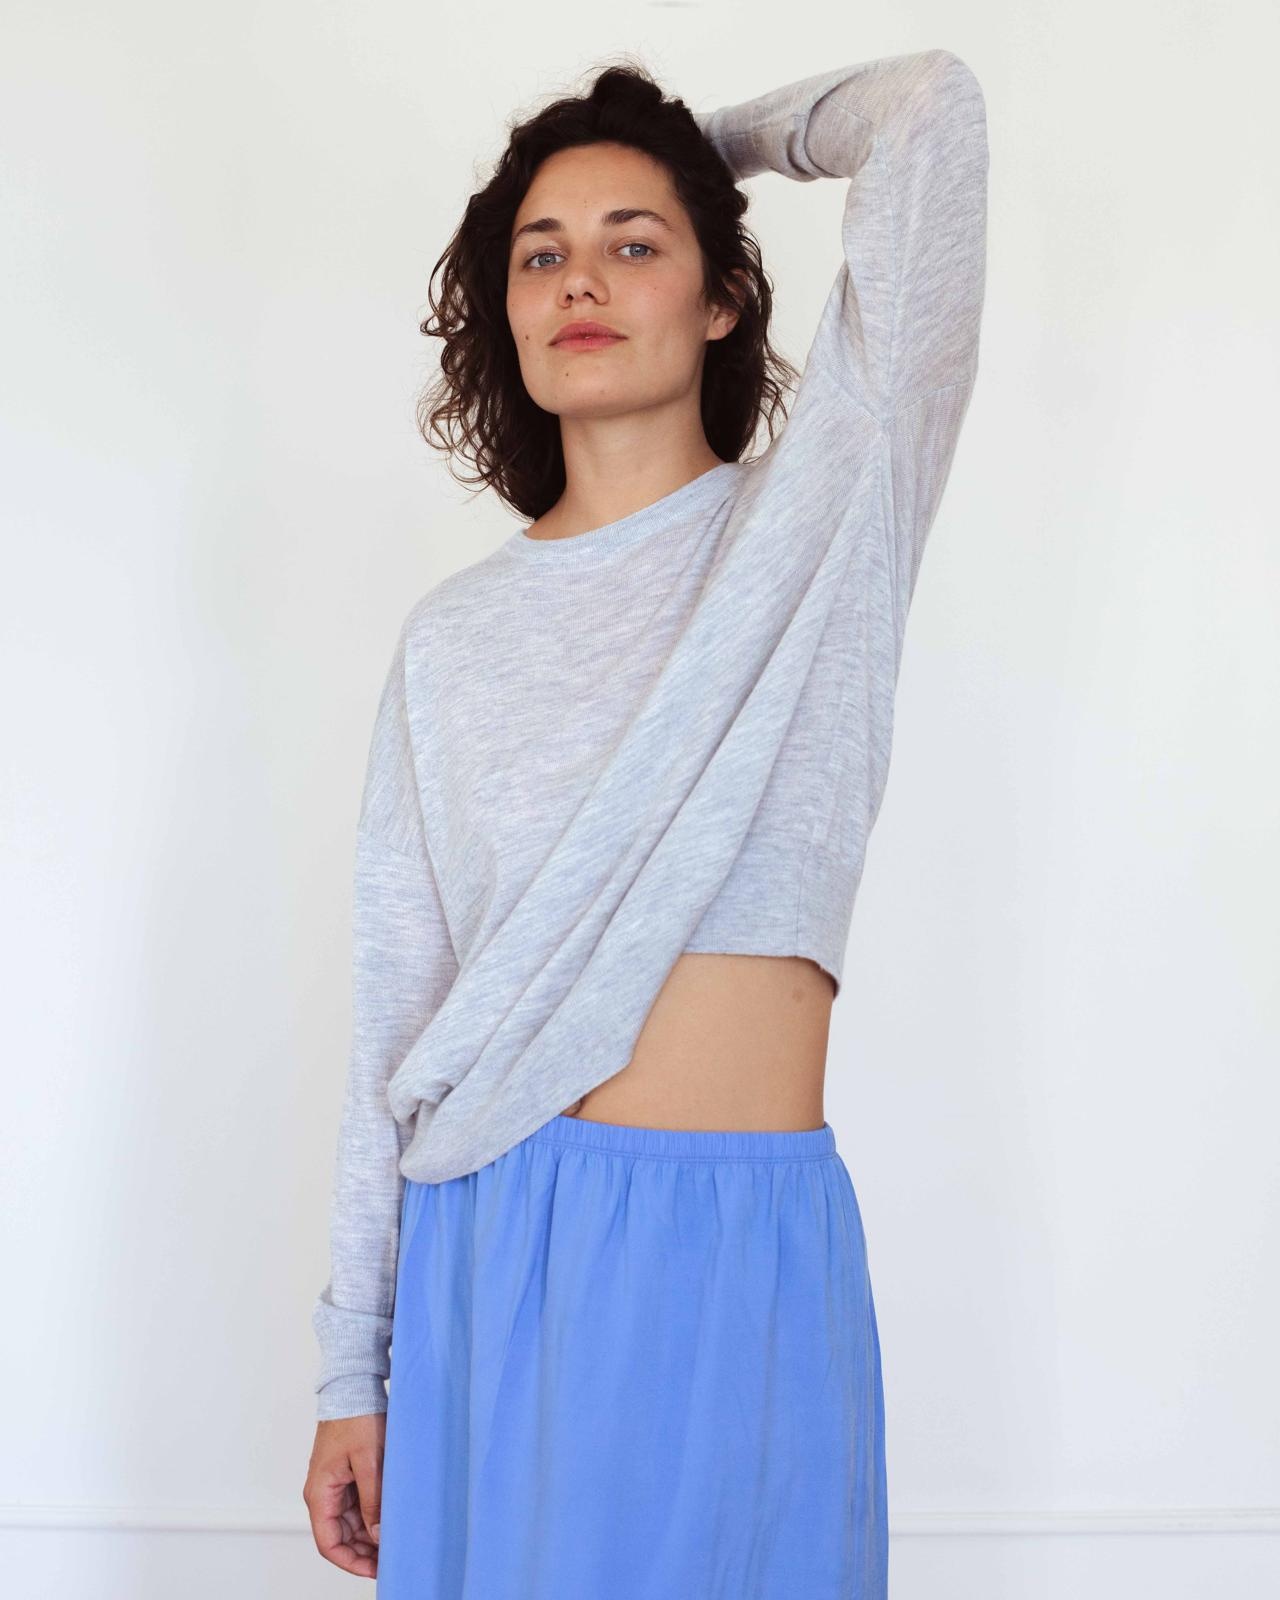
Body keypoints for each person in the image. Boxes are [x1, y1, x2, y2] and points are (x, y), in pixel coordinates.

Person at [302, 46, 987, 1598]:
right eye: (539, 255)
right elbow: (395, 1012)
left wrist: (703, 147)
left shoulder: (826, 523)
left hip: (743, 1248)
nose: (581, 281)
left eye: (635, 242)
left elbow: (931, 113)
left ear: (724, 294)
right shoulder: (451, 643)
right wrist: (354, 1366)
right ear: (504, 314)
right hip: (494, 1249)